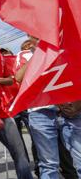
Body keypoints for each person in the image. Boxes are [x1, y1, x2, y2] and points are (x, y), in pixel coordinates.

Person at [16, 37, 81, 179]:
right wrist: (40, 52)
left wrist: (79, 103)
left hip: (71, 111)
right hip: (41, 113)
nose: (37, 36)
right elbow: (19, 77)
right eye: (32, 34)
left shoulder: (70, 45)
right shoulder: (27, 54)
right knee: (49, 164)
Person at [0, 26, 33, 179]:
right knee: (18, 151)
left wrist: (1, 80)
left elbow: (16, 79)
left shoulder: (13, 61)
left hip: (19, 105)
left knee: (27, 149)